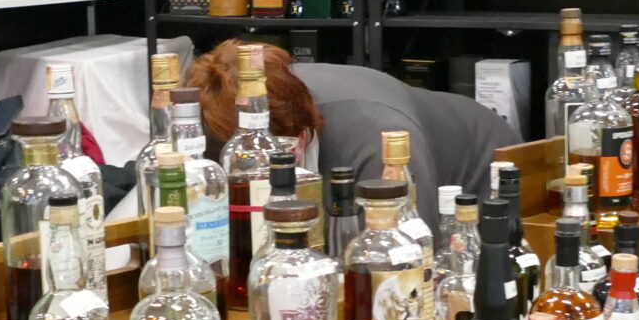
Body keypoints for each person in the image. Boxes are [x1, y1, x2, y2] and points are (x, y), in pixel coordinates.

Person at [186, 40, 519, 232]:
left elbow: (407, 257)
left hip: (485, 176)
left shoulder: (378, 138)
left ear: (301, 135)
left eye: (273, 158)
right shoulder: (214, 126)